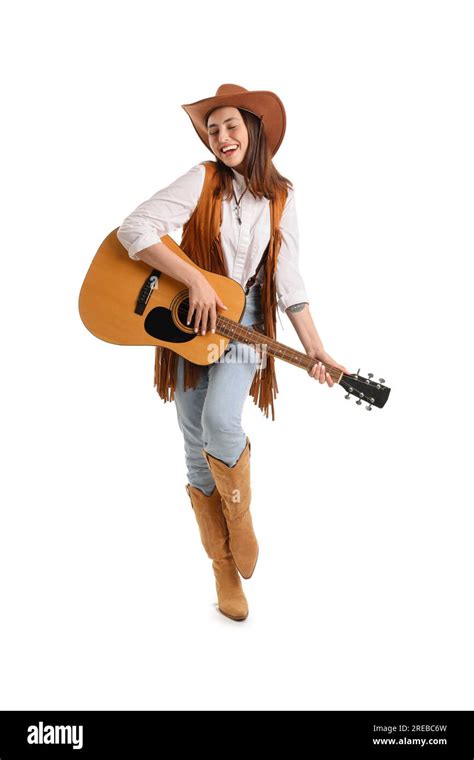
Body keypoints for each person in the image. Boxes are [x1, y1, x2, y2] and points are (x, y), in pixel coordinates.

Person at [117, 84, 349, 622]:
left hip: (245, 322)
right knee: (194, 439)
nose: (221, 137)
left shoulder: (281, 197)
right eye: (213, 128)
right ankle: (222, 566)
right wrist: (194, 280)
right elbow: (135, 228)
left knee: (222, 421)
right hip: (192, 323)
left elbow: (288, 282)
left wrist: (317, 349)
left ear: (255, 130)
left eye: (231, 126)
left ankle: (238, 519)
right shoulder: (201, 180)